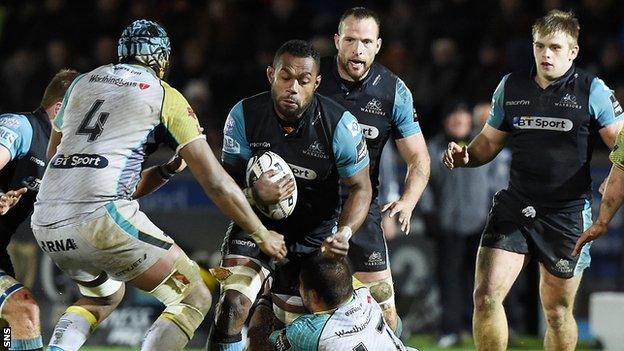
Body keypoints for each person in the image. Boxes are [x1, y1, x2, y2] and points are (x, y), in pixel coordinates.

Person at [30, 20, 286, 351]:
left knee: (104, 296)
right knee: (193, 295)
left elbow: (58, 163)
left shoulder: (80, 83)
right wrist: (261, 234)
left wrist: (163, 172)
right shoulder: (164, 94)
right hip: (99, 218)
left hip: (46, 222)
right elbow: (216, 182)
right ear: (161, 60)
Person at [444, 10, 624, 351]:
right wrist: (466, 156)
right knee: (484, 297)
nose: (546, 54)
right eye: (539, 46)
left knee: (556, 312)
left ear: (573, 51)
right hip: (516, 205)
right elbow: (487, 144)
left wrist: (611, 193)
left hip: (566, 214)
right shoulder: (511, 86)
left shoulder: (593, 90)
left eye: (555, 47)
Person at [208, 39, 372, 351]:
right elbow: (225, 188)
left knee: (287, 334)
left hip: (315, 237)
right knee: (233, 306)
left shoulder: (340, 126)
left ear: (317, 83)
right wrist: (254, 194)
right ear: (271, 74)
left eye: (303, 80)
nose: (293, 88)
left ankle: (268, 306)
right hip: (255, 227)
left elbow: (361, 188)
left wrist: (346, 232)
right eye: (286, 77)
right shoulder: (243, 116)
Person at [317, 7, 430, 333]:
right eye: (350, 40)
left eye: (366, 41)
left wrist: (408, 200)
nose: (358, 49)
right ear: (337, 41)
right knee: (293, 311)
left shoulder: (393, 91)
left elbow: (420, 158)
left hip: (361, 210)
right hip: (309, 208)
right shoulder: (313, 78)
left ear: (378, 45)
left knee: (385, 316)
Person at [0, 69, 78, 351]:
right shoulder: (19, 127)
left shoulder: (62, 155)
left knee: (6, 333)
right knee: (24, 310)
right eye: (82, 110)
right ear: (60, 109)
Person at [422, 102, 492, 347]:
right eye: (453, 117)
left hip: (481, 225)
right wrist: (430, 216)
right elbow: (425, 184)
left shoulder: (483, 145)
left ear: (469, 121)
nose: (458, 121)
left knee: (479, 281)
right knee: (448, 279)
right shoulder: (433, 148)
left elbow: (496, 182)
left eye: (462, 118)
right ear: (446, 121)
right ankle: (450, 329)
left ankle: (474, 328)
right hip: (447, 225)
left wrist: (494, 215)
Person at [269, 255, 410, 351]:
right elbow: (341, 277)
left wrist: (264, 300)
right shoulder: (363, 293)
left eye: (300, 285)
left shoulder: (309, 330)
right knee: (394, 328)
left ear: (313, 295)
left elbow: (272, 340)